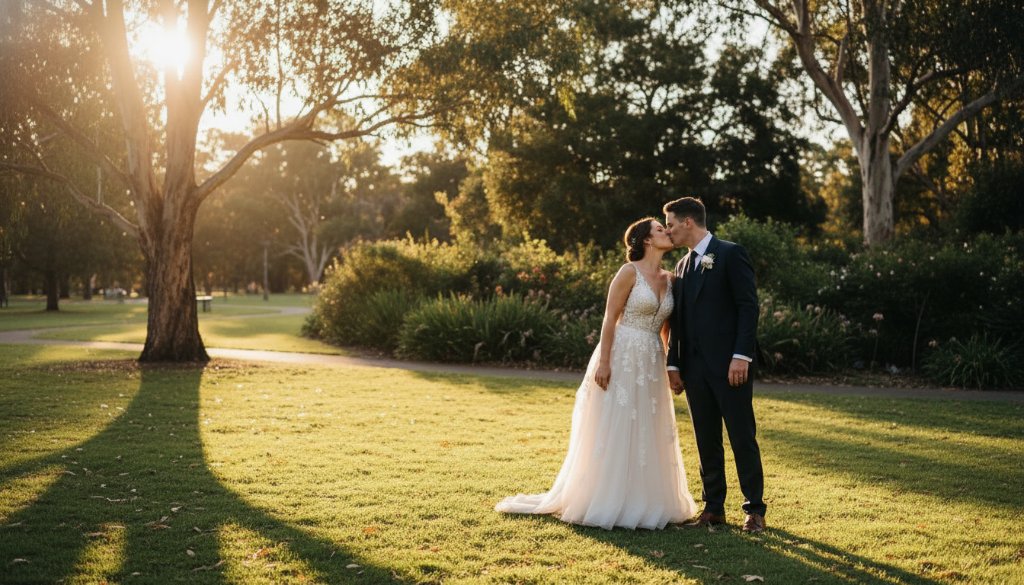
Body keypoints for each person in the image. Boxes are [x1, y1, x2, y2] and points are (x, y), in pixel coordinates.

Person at [495, 218, 697, 529]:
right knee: (616, 424)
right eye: (660, 229)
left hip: (652, 359)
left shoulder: (671, 279)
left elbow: (668, 330)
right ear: (645, 240)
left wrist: (673, 366)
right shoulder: (628, 273)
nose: (667, 232)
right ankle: (606, 497)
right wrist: (604, 362)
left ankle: (645, 499)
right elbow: (609, 318)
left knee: (648, 425)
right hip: (622, 353)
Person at [663, 196, 767, 533]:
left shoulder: (730, 253)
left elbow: (748, 307)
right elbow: (678, 322)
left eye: (671, 224)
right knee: (706, 438)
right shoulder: (681, 266)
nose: (669, 230)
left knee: (741, 436)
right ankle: (714, 507)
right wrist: (674, 365)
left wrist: (742, 356)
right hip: (693, 370)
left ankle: (754, 509)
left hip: (729, 366)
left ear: (689, 222)